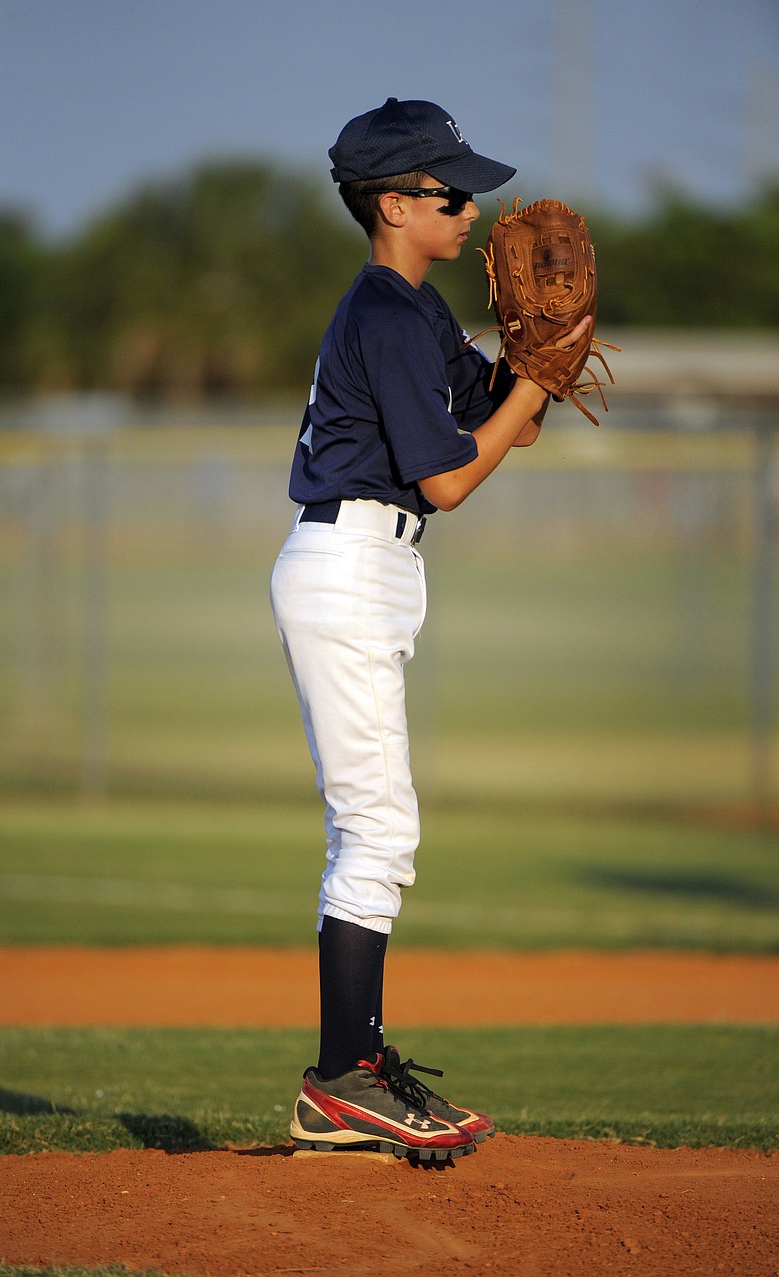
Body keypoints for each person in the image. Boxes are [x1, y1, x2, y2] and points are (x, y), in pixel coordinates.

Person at [270, 97, 590, 1163]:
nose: (472, 204)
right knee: (378, 829)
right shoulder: (383, 314)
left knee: (376, 827)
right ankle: (343, 1078)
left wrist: (532, 356)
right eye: (450, 189)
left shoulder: (414, 309)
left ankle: (346, 1076)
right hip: (352, 557)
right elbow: (453, 476)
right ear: (395, 203)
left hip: (374, 564)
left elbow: (510, 418)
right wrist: (526, 390)